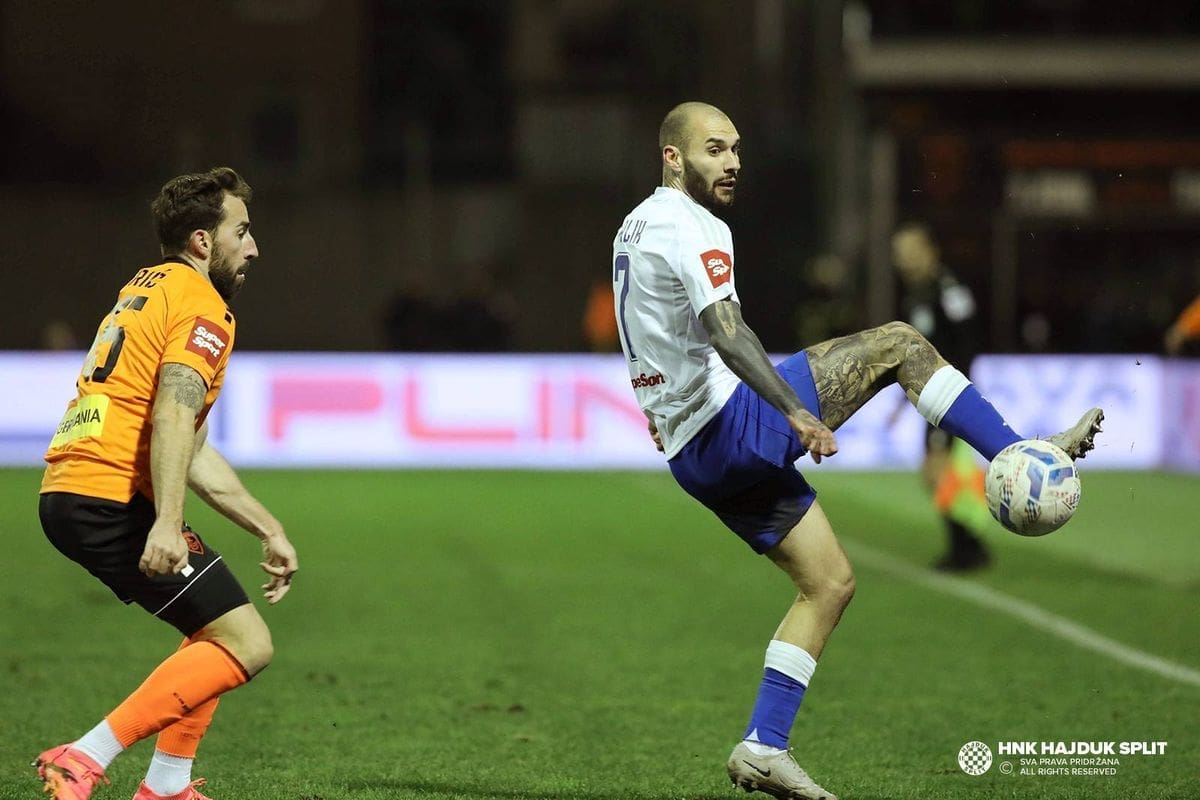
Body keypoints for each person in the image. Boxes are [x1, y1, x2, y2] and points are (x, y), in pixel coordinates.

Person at [612, 102, 1103, 800]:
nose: (732, 163)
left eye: (736, 149)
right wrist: (793, 411)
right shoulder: (693, 226)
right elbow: (726, 329)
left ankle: (763, 745)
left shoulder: (633, 227)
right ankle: (1021, 449)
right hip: (730, 421)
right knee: (900, 343)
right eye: (715, 150)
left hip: (691, 455)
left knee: (830, 583)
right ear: (672, 157)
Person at [34, 167, 299, 800]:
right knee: (248, 642)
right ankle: (84, 756)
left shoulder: (146, 289)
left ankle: (167, 787)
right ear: (205, 241)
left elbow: (194, 449)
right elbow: (174, 416)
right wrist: (164, 523)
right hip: (113, 497)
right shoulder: (203, 305)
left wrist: (269, 528)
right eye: (243, 230)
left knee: (211, 629)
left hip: (72, 487)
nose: (254, 246)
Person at [890, 222, 993, 571]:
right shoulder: (916, 293)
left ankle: (968, 549)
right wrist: (902, 403)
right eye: (899, 252)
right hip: (931, 397)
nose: (902, 259)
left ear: (930, 250)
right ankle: (967, 547)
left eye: (909, 250)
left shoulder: (948, 288)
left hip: (948, 395)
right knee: (936, 472)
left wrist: (958, 389)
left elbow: (967, 340)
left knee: (937, 471)